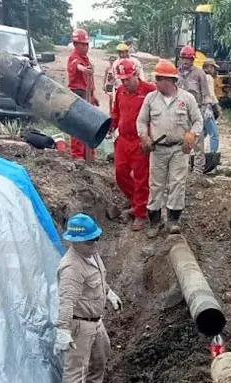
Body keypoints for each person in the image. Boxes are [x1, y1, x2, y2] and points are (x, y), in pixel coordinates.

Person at [55, 213, 123, 383]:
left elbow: (99, 279)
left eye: (96, 238)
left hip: (96, 320)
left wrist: (109, 293)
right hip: (79, 324)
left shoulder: (91, 254)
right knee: (75, 369)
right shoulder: (71, 268)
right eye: (90, 240)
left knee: (102, 351)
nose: (95, 243)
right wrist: (63, 330)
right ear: (75, 242)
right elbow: (66, 302)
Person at [137, 59, 202, 237]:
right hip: (157, 150)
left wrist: (192, 134)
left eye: (158, 79)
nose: (155, 82)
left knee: (177, 183)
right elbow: (142, 121)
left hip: (179, 149)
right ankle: (155, 221)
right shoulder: (151, 99)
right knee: (156, 184)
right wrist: (144, 136)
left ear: (169, 80)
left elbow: (198, 120)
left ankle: (173, 220)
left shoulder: (186, 99)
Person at [110, 59, 156, 231]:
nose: (125, 83)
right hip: (123, 140)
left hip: (139, 141)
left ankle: (141, 214)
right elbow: (116, 112)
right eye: (122, 80)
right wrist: (112, 126)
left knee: (141, 178)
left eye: (127, 79)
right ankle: (136, 201)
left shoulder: (149, 91)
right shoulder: (120, 91)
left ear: (135, 74)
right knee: (120, 174)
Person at [67, 29, 99, 161]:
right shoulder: (74, 58)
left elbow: (88, 80)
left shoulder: (85, 58)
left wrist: (93, 96)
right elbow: (77, 67)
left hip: (87, 94)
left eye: (87, 44)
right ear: (75, 44)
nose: (86, 47)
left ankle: (89, 155)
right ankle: (78, 155)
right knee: (78, 125)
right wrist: (84, 69)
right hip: (78, 95)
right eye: (83, 44)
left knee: (89, 125)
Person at [195, 59, 222, 173]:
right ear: (210, 67)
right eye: (214, 68)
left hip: (200, 108)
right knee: (214, 134)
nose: (215, 70)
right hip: (207, 110)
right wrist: (217, 107)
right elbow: (210, 94)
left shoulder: (199, 76)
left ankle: (194, 154)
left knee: (203, 133)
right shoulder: (209, 78)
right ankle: (212, 157)